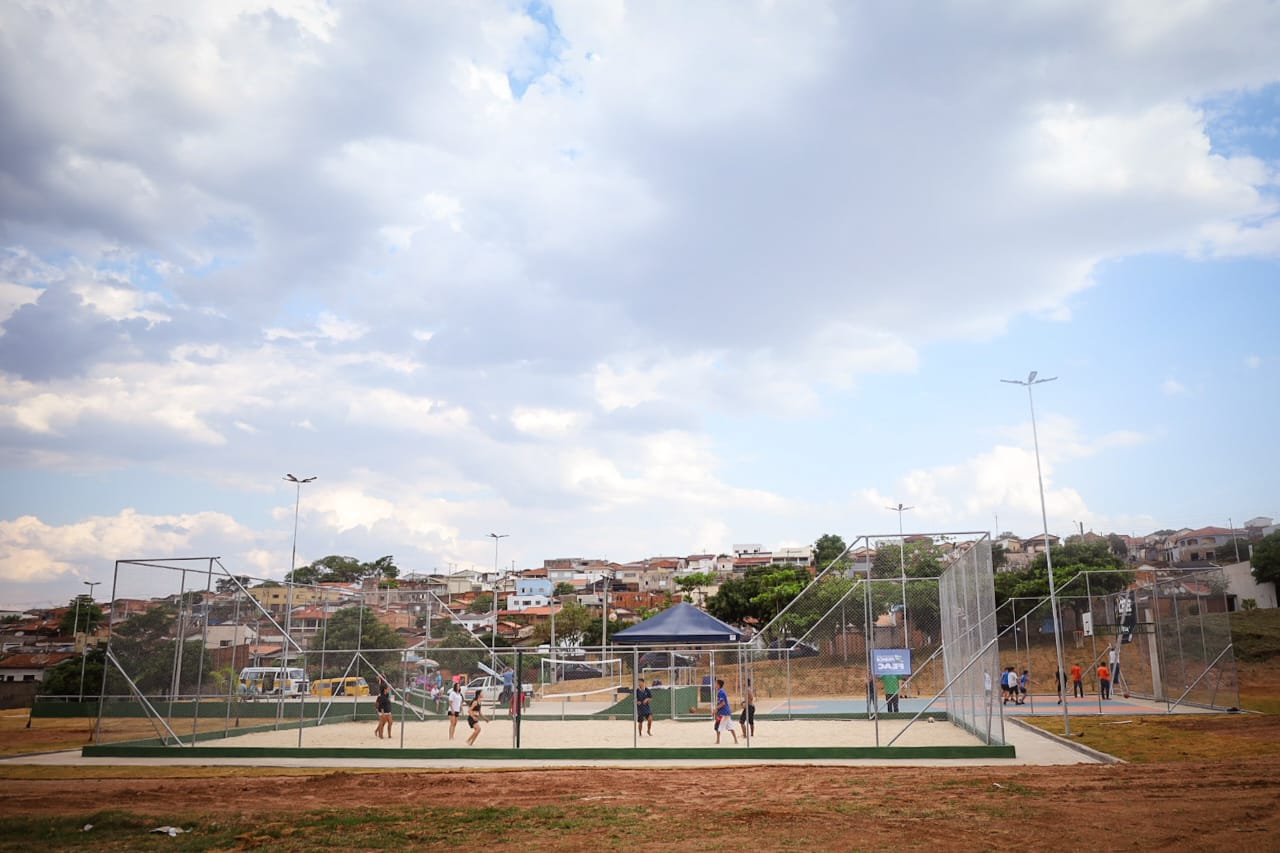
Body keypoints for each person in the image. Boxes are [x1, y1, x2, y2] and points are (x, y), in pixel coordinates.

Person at [714, 678, 738, 744]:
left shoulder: (720, 692)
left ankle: (718, 741)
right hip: (727, 712)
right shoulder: (722, 691)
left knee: (717, 725)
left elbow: (723, 703)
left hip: (723, 713)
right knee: (730, 726)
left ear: (718, 685)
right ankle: (736, 740)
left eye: (716, 684)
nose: (715, 685)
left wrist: (716, 709)